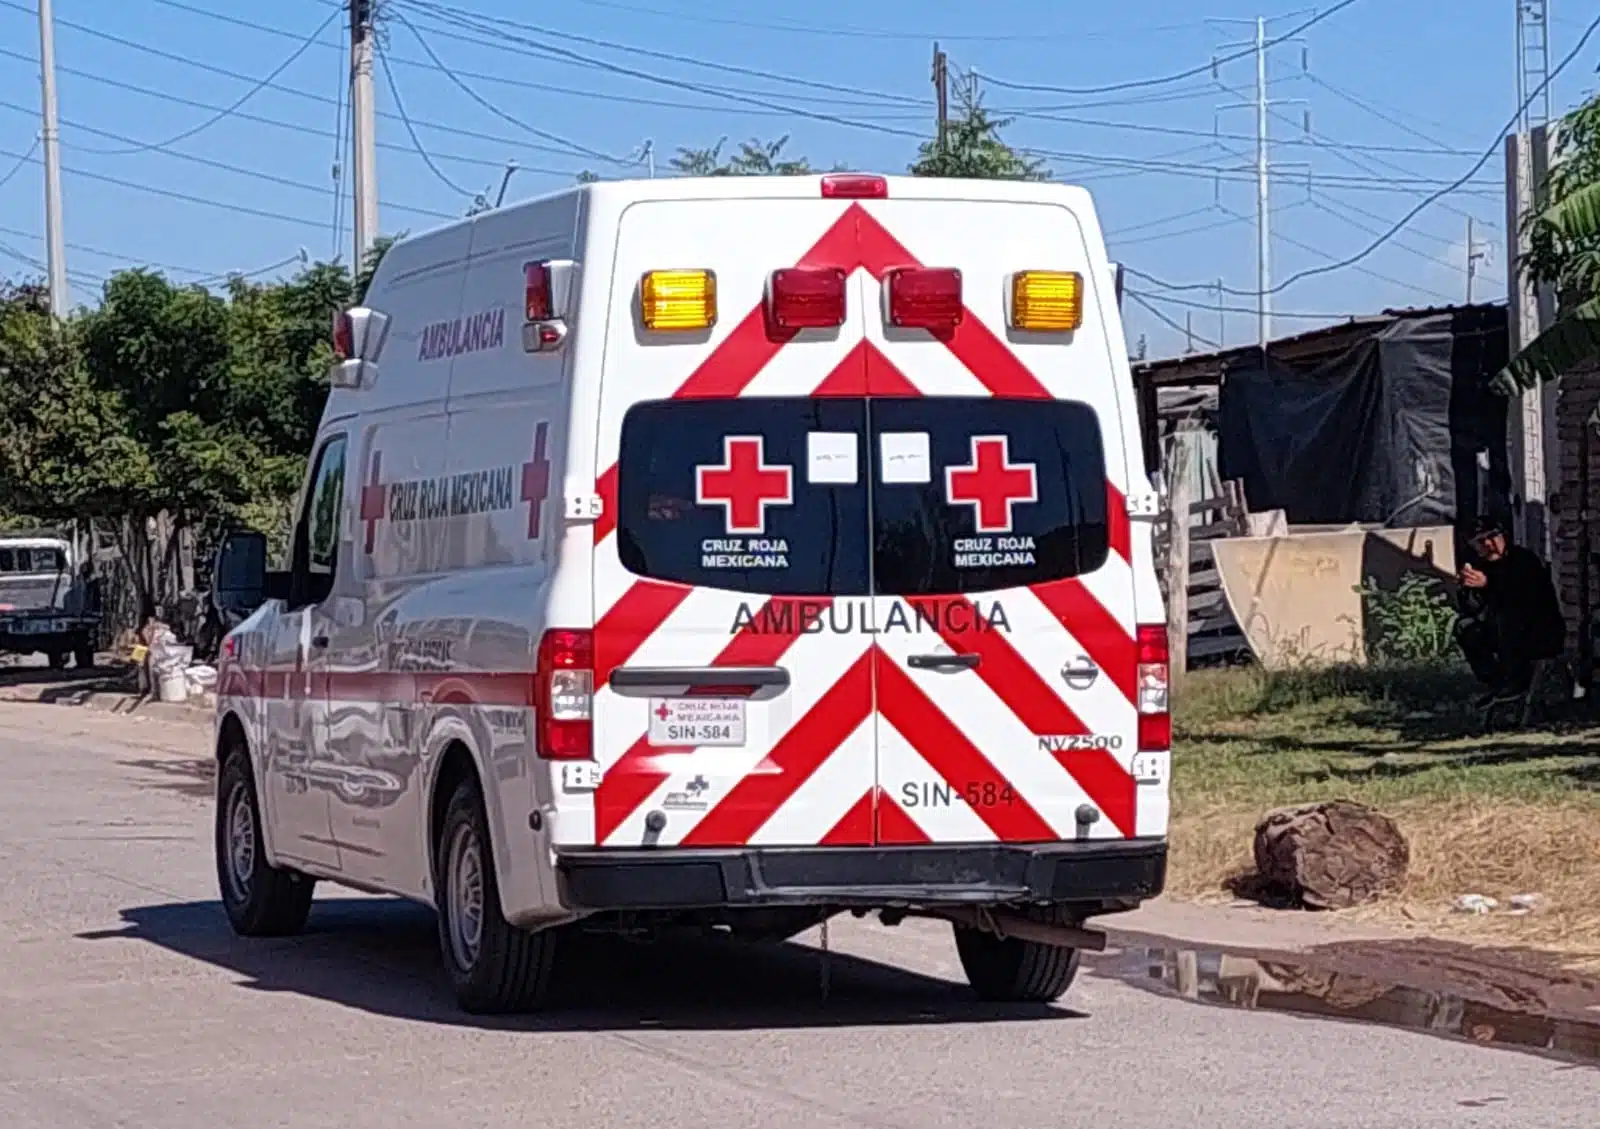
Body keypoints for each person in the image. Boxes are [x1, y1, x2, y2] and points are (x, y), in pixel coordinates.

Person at [1453, 517, 1565, 706]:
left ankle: (1516, 682)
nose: (1488, 544)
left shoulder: (1523, 560)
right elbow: (1473, 609)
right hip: (1502, 635)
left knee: (1507, 618)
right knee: (1466, 628)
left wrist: (1488, 584)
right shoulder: (1478, 566)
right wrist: (1466, 589)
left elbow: (1523, 600)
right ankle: (1497, 683)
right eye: (1480, 541)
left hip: (1538, 632)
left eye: (1492, 537)